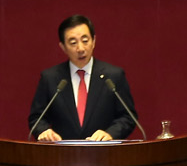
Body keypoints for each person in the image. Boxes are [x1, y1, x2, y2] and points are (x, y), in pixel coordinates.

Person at [27, 14, 139, 142]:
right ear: (63, 47)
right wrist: (43, 131)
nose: (80, 48)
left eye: (85, 41)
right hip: (61, 155)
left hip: (105, 154)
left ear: (94, 41)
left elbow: (128, 117)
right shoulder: (50, 78)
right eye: (73, 43)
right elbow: (36, 118)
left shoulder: (113, 76)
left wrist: (110, 134)